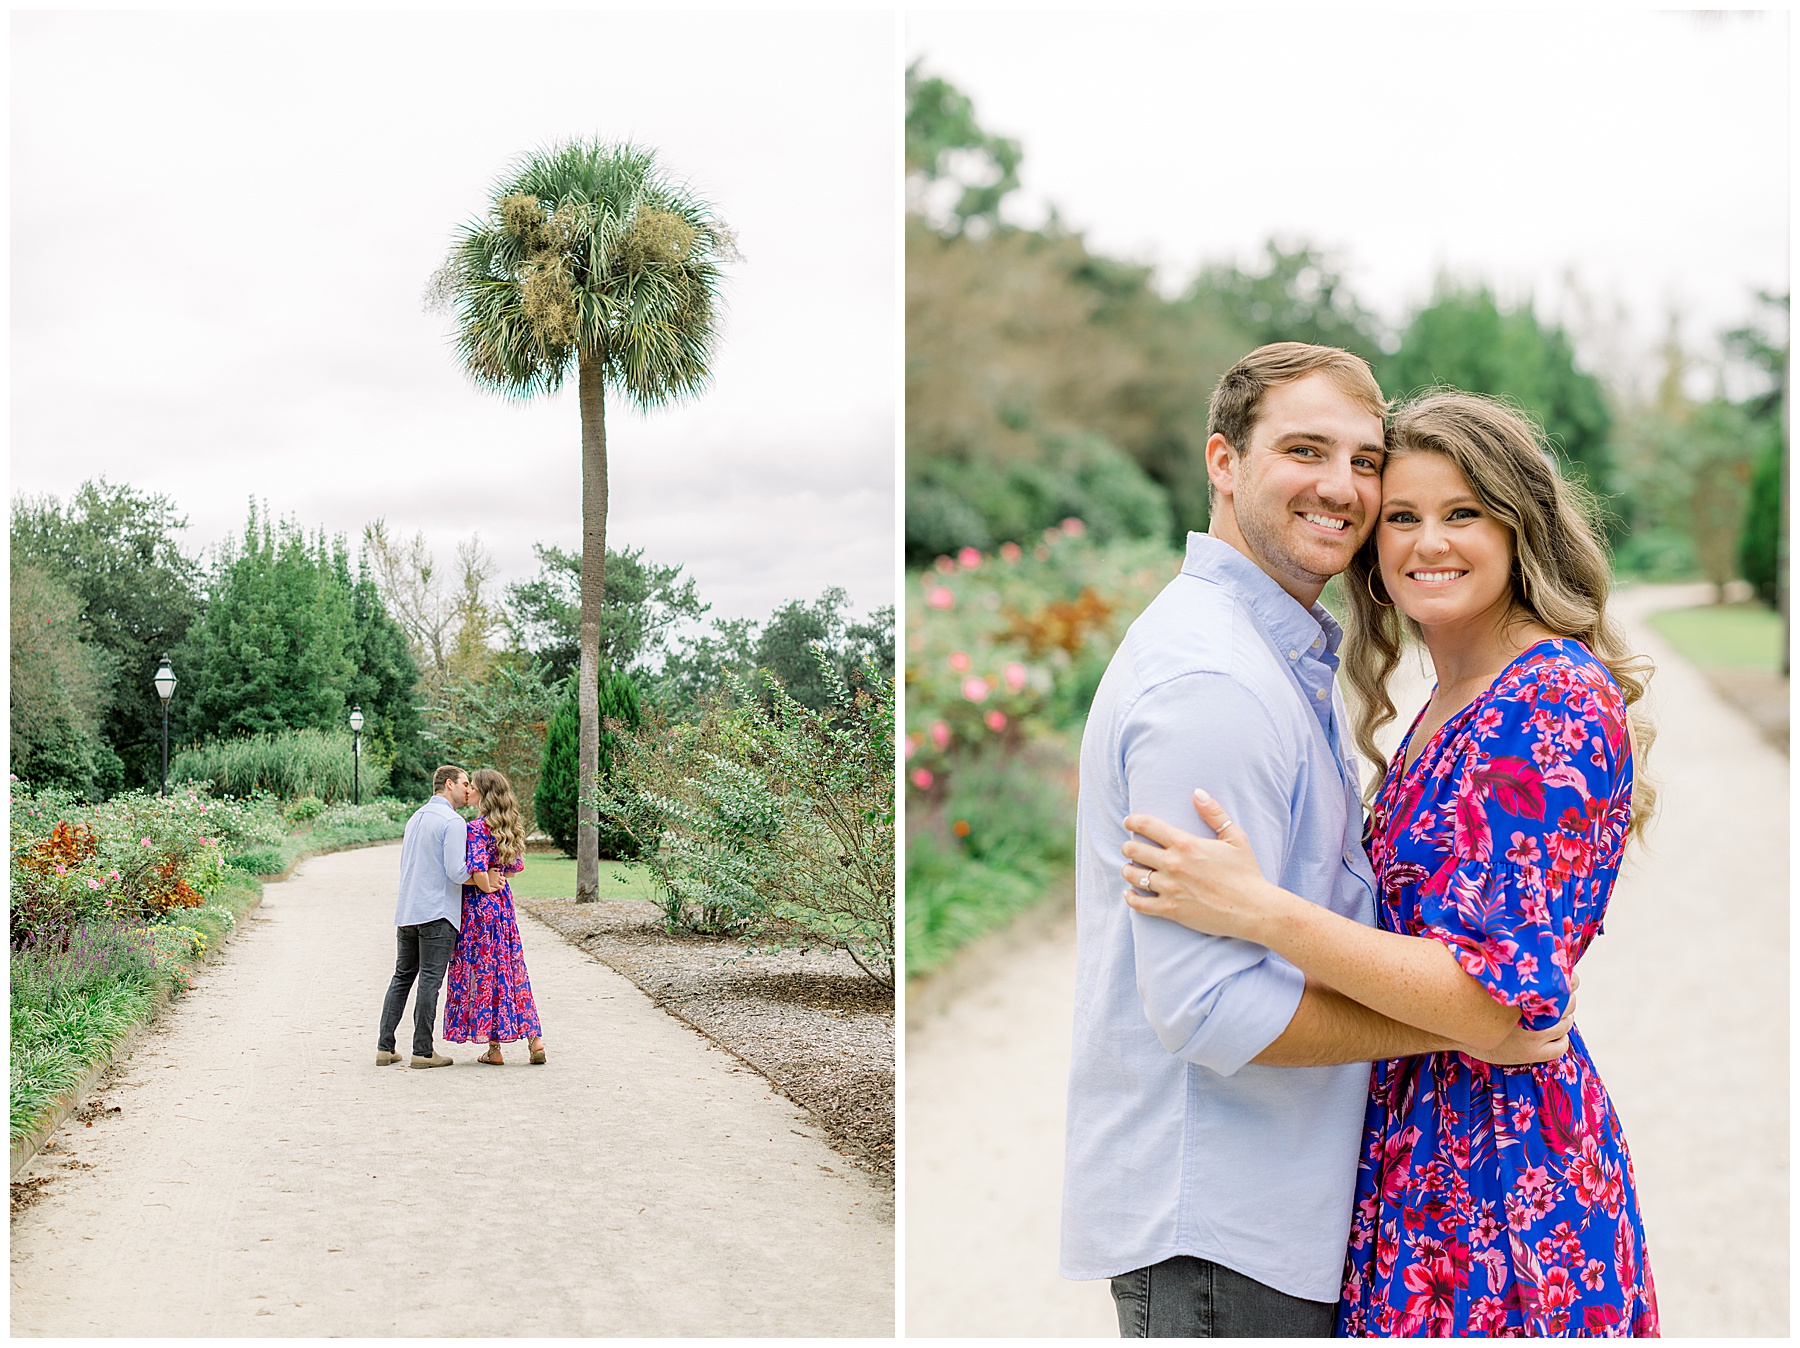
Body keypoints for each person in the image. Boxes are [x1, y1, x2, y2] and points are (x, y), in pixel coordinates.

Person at [1061, 344, 1575, 1339]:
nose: (1343, 488)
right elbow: (1207, 1009)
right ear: (1223, 461)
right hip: (1222, 1232)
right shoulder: (1212, 683)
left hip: (1265, 1220)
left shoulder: (1266, 651)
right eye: (1305, 450)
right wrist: (1464, 1022)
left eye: (1365, 459)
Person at [442, 767, 545, 1066]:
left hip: (479, 909)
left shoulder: (475, 828)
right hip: (504, 908)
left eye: (472, 787)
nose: (468, 791)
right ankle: (534, 1038)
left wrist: (487, 880)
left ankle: (494, 1047)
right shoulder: (508, 825)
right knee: (512, 970)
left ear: (483, 794)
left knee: (486, 974)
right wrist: (498, 876)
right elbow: (515, 868)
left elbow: (479, 876)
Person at [378, 764, 474, 1069]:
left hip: (407, 910)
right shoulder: (453, 821)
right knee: (430, 980)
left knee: (402, 977)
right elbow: (456, 872)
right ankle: (422, 1050)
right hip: (437, 913)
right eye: (464, 783)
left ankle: (385, 1047)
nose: (468, 789)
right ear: (449, 784)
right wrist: (484, 872)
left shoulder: (415, 818)